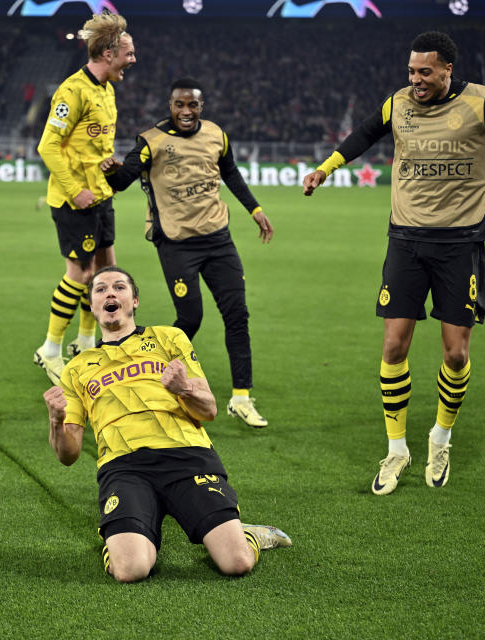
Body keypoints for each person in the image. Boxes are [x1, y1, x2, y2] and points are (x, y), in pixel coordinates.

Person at [302, 31, 485, 495]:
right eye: (411, 71)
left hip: (460, 243)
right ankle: (396, 449)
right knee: (393, 347)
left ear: (448, 68)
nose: (415, 80)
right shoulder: (398, 103)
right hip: (405, 240)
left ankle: (440, 438)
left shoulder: (483, 103)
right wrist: (325, 168)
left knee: (456, 352)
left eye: (425, 71)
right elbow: (363, 135)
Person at [43, 266, 291, 582]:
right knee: (131, 570)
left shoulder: (168, 338)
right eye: (100, 290)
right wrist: (55, 420)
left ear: (134, 301)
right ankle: (121, 541)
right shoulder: (76, 369)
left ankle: (251, 536)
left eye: (119, 287)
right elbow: (69, 455)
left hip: (186, 455)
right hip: (123, 467)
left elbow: (210, 410)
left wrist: (183, 389)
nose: (110, 294)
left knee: (236, 562)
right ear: (91, 307)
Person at [100, 77, 275, 428]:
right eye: (179, 104)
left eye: (192, 104)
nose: (186, 111)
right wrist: (112, 171)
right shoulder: (151, 142)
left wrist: (255, 210)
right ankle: (150, 372)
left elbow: (232, 174)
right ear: (170, 105)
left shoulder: (215, 135)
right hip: (176, 243)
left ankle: (241, 397)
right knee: (190, 319)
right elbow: (123, 181)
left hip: (218, 239)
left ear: (201, 106)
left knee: (237, 315)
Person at [32, 12, 136, 385]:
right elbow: (47, 146)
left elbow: (88, 143)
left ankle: (88, 342)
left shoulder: (106, 88)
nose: (133, 59)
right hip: (74, 199)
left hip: (100, 196)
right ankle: (51, 349)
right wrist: (75, 189)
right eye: (128, 52)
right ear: (108, 53)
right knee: (80, 274)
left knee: (107, 270)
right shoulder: (72, 91)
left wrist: (105, 163)